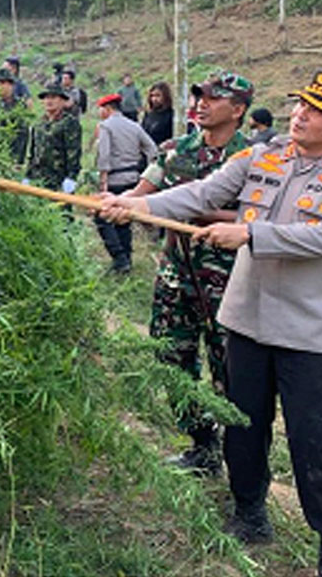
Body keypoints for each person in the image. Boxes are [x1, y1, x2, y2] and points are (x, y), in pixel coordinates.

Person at [98, 70, 322, 577]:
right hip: (245, 324)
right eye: (300, 105)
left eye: (317, 110)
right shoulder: (259, 155)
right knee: (242, 430)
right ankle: (250, 513)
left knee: (317, 445)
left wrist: (251, 235)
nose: (301, 114)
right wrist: (137, 204)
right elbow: (200, 196)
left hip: (308, 336)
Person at [119, 70, 253, 476]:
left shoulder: (253, 158)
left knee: (230, 371)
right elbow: (143, 192)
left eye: (212, 98)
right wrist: (118, 202)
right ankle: (202, 445)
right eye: (198, 97)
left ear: (238, 109)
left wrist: (186, 210)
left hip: (228, 284)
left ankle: (241, 460)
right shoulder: (175, 150)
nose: (200, 104)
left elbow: (255, 217)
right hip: (175, 279)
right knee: (170, 358)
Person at [93, 93, 157, 274]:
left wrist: (103, 180)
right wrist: (147, 175)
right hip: (133, 178)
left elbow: (104, 155)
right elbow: (152, 150)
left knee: (103, 218)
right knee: (124, 220)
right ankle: (127, 259)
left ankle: (119, 258)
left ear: (106, 109)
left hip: (114, 179)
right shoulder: (134, 126)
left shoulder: (106, 126)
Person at [25, 82, 81, 193]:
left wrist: (71, 177)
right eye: (46, 98)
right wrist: (28, 175)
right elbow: (33, 153)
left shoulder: (69, 123)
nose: (49, 101)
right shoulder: (39, 124)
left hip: (59, 180)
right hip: (38, 179)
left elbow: (73, 152)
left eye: (53, 97)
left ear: (62, 100)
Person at [0, 67, 30, 165]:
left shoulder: (19, 107)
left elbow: (22, 136)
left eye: (3, 83)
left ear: (11, 85)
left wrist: (18, 161)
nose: (0, 87)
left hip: (12, 157)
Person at [141, 81, 175, 147]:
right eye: (152, 96)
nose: (154, 99)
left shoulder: (171, 115)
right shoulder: (148, 114)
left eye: (158, 96)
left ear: (165, 96)